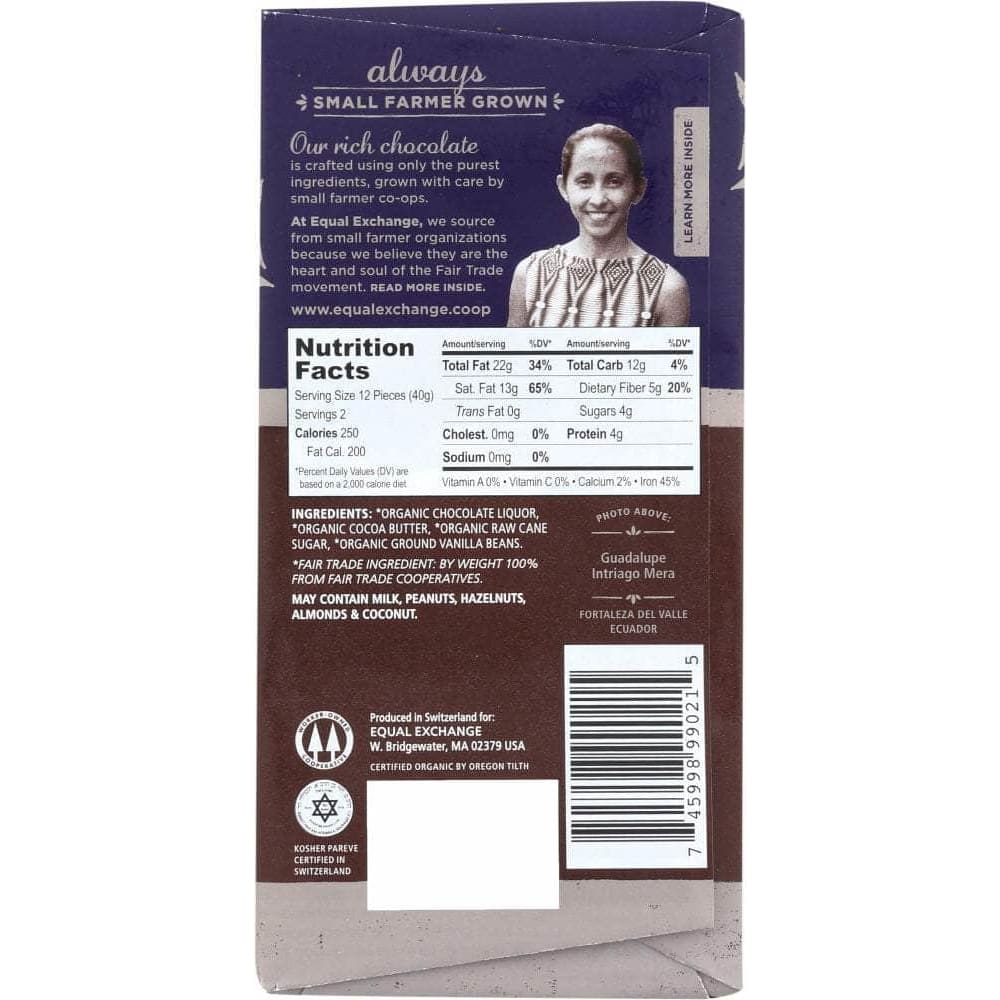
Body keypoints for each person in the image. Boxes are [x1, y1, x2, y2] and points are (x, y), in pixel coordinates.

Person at [507, 123, 689, 328]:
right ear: (563, 187)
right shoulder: (531, 273)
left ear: (638, 189)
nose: (598, 199)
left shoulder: (667, 287)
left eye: (614, 181)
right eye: (584, 181)